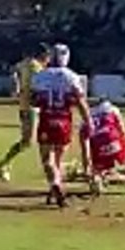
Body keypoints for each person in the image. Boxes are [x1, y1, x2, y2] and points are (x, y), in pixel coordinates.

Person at [31, 44, 91, 207]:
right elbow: (80, 101)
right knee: (57, 159)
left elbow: (34, 100)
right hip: (64, 121)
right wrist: (88, 121)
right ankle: (55, 187)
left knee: (47, 160)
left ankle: (55, 183)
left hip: (47, 120)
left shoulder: (40, 76)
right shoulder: (72, 76)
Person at [0, 44, 50, 182]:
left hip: (27, 106)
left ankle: (49, 166)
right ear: (43, 55)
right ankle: (2, 165)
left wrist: (16, 86)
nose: (49, 60)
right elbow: (38, 88)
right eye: (48, 56)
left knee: (43, 139)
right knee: (27, 142)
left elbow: (13, 70)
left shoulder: (26, 63)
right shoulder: (36, 67)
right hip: (31, 108)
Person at [80, 97, 125, 195]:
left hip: (98, 153)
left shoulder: (84, 122)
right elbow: (123, 133)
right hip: (115, 144)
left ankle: (97, 178)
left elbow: (85, 149)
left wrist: (87, 169)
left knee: (97, 166)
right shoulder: (112, 110)